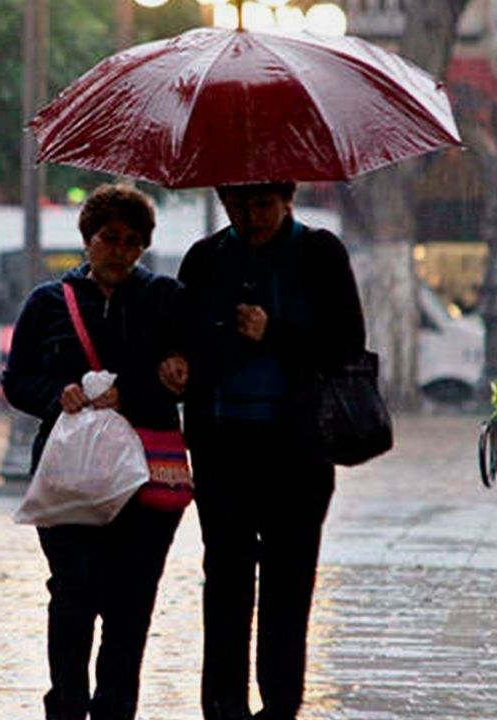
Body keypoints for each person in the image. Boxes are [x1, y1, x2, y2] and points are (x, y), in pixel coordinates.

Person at [160, 181, 366, 720]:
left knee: (288, 582)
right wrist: (178, 358)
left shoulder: (319, 253)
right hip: (222, 444)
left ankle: (279, 706)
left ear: (286, 199)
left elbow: (346, 345)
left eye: (261, 205)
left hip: (296, 450)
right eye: (236, 205)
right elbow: (181, 332)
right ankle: (223, 705)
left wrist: (274, 331)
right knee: (225, 579)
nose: (248, 217)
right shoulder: (206, 259)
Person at [2, 183, 188, 720]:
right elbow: (18, 380)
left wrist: (135, 391)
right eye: (110, 238)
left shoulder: (164, 299)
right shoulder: (47, 303)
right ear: (89, 239)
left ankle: (115, 707)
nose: (120, 251)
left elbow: (184, 376)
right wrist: (56, 396)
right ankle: (66, 704)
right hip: (67, 475)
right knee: (73, 591)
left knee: (132, 599)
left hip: (144, 476)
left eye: (133, 242)